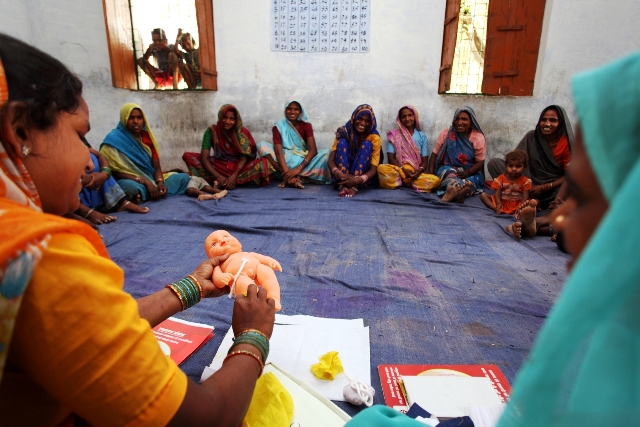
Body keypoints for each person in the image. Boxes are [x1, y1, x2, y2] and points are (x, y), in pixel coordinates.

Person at [344, 50, 640, 427]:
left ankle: (490, 203)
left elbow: (481, 166)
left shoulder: (611, 371)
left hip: (491, 181)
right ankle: (503, 209)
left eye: (579, 193)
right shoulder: (614, 333)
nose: (562, 214)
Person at [0, 33, 276, 426]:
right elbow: (208, 419)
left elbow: (88, 329)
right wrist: (253, 336)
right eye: (80, 135)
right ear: (21, 132)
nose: (89, 158)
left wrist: (192, 286)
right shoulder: (39, 259)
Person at [100, 103, 191, 202]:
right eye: (131, 118)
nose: (136, 121)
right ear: (124, 119)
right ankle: (149, 193)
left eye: (139, 118)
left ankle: (146, 194)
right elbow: (113, 172)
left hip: (151, 179)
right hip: (131, 180)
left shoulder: (147, 138)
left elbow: (156, 167)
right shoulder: (114, 139)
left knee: (183, 178)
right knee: (129, 187)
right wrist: (145, 182)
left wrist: (160, 183)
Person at [487, 105, 573, 210]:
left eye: (553, 120)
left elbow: (569, 176)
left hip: (551, 187)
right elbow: (516, 159)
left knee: (569, 188)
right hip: (525, 182)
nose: (547, 124)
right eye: (543, 120)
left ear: (560, 123)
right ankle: (526, 198)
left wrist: (544, 187)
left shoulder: (566, 144)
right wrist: (526, 183)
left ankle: (541, 203)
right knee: (494, 164)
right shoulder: (532, 136)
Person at [182, 104, 274, 190]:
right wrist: (218, 175)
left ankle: (227, 181)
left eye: (231, 119)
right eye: (225, 117)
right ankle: (229, 181)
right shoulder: (211, 132)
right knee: (189, 157)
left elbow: (244, 157)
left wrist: (234, 175)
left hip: (238, 167)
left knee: (263, 163)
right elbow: (204, 158)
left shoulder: (241, 132)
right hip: (218, 165)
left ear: (236, 120)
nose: (227, 121)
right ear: (220, 116)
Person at [257, 98, 331, 189]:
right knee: (261, 145)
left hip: (302, 160)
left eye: (296, 109)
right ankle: (290, 176)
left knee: (327, 153)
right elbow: (278, 152)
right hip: (284, 160)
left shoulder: (306, 126)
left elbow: (313, 150)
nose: (292, 112)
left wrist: (298, 169)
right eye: (289, 109)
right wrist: (288, 172)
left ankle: (291, 176)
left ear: (300, 111)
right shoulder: (278, 126)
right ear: (285, 110)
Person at [76, 138, 149, 225]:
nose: (136, 123)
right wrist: (83, 179)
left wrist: (103, 174)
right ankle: (85, 211)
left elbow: (99, 155)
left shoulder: (77, 140)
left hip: (99, 182)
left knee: (93, 158)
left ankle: (120, 202)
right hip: (74, 187)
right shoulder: (113, 139)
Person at [427, 106, 486, 203]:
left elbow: (480, 162)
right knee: (449, 176)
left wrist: (467, 173)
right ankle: (458, 194)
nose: (459, 122)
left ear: (471, 121)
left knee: (471, 181)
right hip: (448, 167)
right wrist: (431, 171)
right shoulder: (446, 133)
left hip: (470, 170)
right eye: (457, 119)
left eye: (464, 119)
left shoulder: (478, 137)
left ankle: (455, 193)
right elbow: (434, 154)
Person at [377, 105, 440, 192]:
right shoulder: (394, 135)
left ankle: (402, 182)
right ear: (400, 119)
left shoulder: (422, 136)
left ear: (415, 116)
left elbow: (425, 161)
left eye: (410, 115)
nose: (407, 119)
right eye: (404, 116)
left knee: (436, 181)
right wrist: (403, 170)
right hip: (399, 170)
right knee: (381, 168)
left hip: (414, 172)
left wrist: (418, 172)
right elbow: (391, 158)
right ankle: (410, 183)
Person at [327, 104, 382, 197]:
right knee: (342, 142)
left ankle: (354, 186)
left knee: (367, 144)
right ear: (354, 118)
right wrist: (340, 175)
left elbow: (373, 170)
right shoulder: (343, 132)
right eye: (360, 119)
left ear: (371, 122)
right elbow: (330, 161)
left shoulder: (374, 137)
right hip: (342, 175)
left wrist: (357, 180)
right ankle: (344, 185)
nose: (363, 123)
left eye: (367, 121)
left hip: (361, 176)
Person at [479, 150, 531, 223]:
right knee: (483, 195)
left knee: (533, 202)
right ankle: (497, 210)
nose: (514, 169)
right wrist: (498, 204)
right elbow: (497, 192)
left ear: (524, 167)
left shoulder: (525, 181)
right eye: (511, 166)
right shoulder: (501, 178)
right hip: (503, 203)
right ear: (506, 166)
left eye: (518, 166)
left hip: (517, 204)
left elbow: (525, 195)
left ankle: (519, 212)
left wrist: (521, 206)